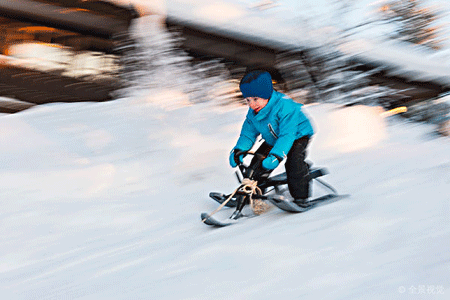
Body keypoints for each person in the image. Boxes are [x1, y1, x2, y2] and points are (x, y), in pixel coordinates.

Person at [229, 70, 314, 205]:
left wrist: (276, 155)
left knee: (293, 162)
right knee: (256, 164)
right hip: (273, 137)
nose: (251, 104)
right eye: (248, 100)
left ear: (266, 94)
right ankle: (253, 191)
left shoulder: (286, 106)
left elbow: (287, 135)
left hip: (298, 135)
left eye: (255, 99)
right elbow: (248, 133)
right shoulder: (254, 112)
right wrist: (240, 149)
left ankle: (301, 197)